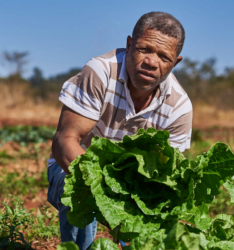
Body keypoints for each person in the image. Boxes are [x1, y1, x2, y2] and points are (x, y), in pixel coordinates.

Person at [47, 12, 192, 250]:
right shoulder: (100, 73)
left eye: (164, 56)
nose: (152, 62)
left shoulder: (180, 107)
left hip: (132, 188)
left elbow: (166, 177)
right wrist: (105, 188)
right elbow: (65, 142)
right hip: (73, 169)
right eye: (145, 49)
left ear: (175, 62)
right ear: (129, 44)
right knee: (75, 187)